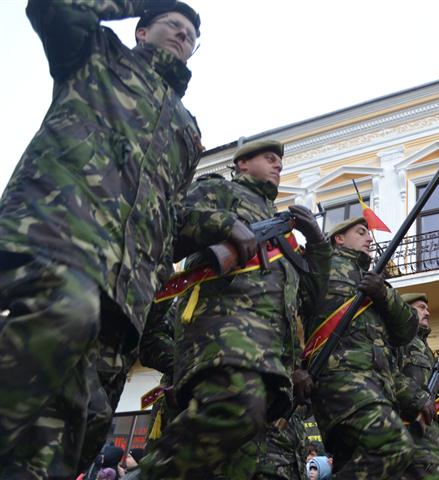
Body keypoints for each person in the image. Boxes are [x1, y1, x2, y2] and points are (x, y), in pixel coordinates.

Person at [0, 2, 203, 477]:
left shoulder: (187, 129)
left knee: (79, 420)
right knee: (65, 312)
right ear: (141, 30)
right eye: (172, 25)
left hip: (125, 294)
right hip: (59, 237)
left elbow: (168, 214)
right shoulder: (97, 56)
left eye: (191, 35)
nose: (182, 36)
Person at [140, 140, 331, 478]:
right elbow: (171, 224)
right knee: (236, 406)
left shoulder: (280, 235)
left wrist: (317, 246)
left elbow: (309, 302)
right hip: (224, 339)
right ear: (242, 163)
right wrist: (226, 224)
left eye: (281, 162)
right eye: (269, 158)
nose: (278, 166)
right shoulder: (219, 190)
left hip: (269, 360)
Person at [305, 216, 419, 478]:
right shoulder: (321, 268)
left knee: (359, 464)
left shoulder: (377, 280)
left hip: (379, 387)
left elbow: (406, 332)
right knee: (394, 446)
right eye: (361, 232)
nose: (370, 238)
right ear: (339, 238)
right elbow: (290, 314)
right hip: (340, 380)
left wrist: (384, 295)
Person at [395, 292, 439, 479]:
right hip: (411, 440)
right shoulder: (398, 341)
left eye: (427, 308)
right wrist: (418, 398)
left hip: (435, 444)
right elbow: (389, 377)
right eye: (421, 308)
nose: (428, 312)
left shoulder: (426, 349)